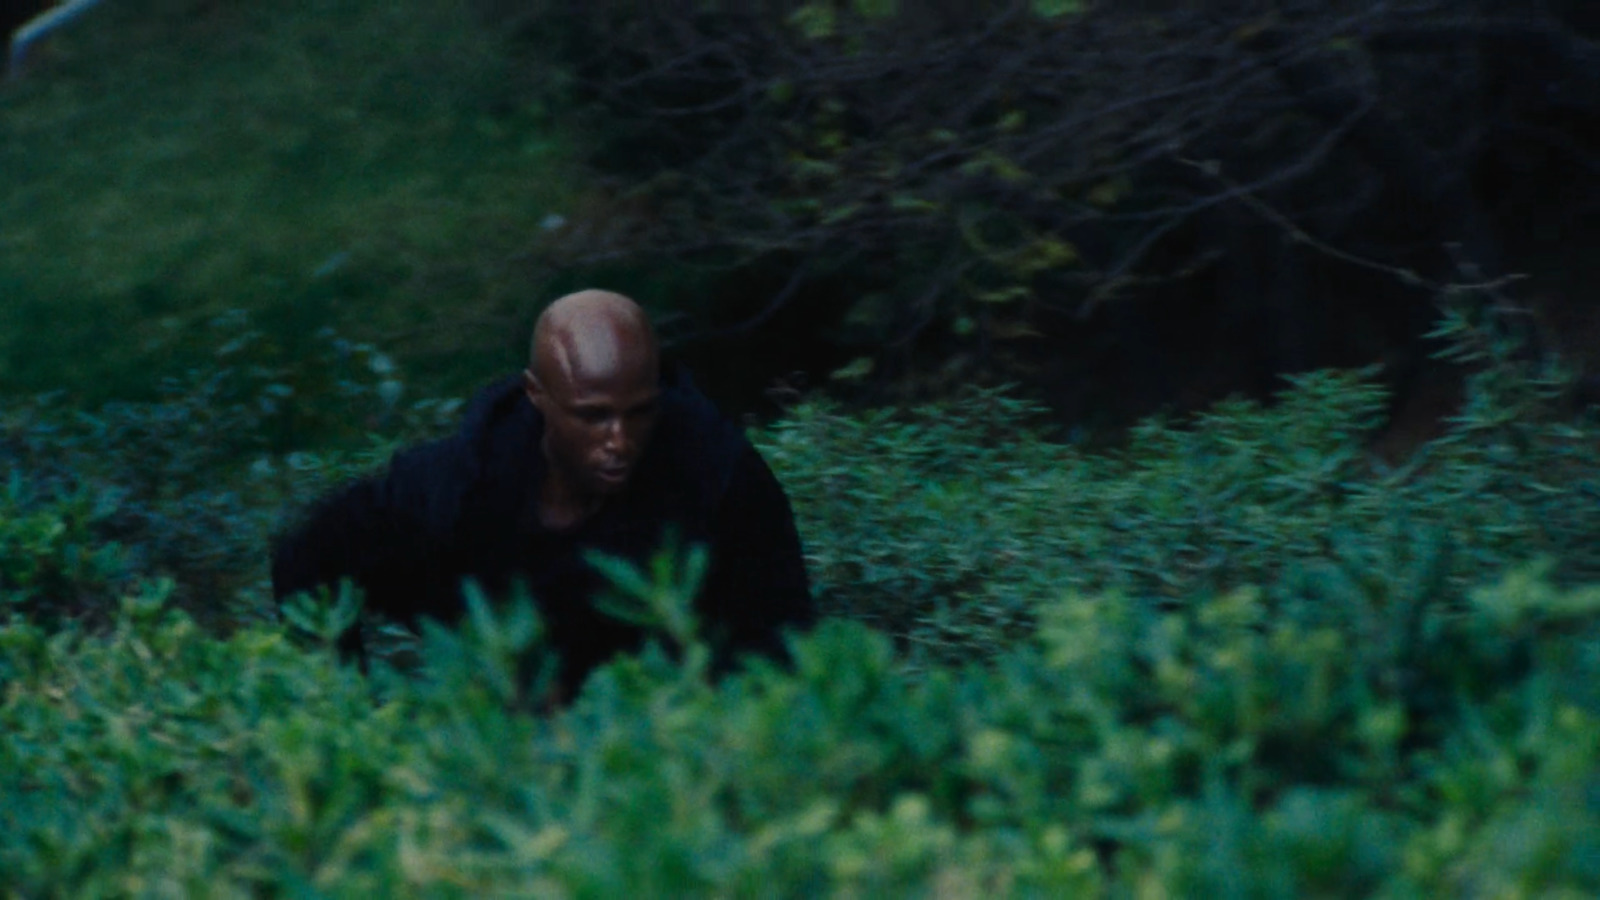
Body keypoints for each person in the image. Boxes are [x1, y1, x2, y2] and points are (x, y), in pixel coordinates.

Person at [271, 289, 815, 700]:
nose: (619, 441)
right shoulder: (461, 484)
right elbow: (308, 560)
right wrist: (347, 709)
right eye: (593, 416)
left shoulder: (719, 475)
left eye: (639, 412)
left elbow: (784, 643)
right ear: (537, 395)